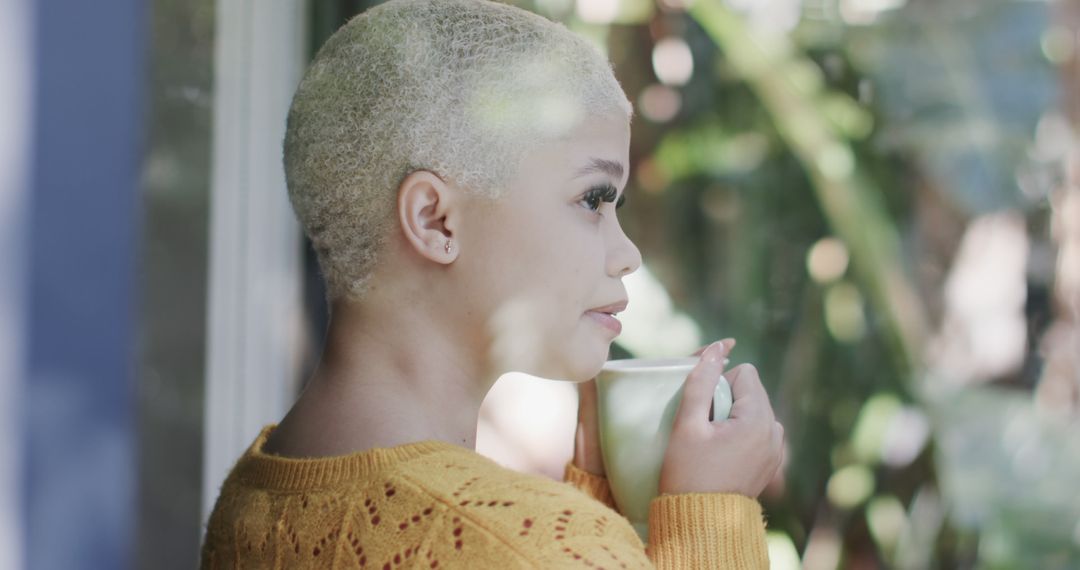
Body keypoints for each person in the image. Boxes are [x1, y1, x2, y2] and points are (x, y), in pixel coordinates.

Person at [199, 0, 785, 567]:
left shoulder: (250, 501)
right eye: (593, 200)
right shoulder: (541, 551)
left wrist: (602, 505)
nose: (628, 254)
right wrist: (714, 520)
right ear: (435, 220)